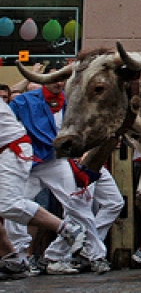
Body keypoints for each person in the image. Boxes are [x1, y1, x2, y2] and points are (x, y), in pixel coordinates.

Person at [5, 67, 110, 274]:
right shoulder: (25, 101)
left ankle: (96, 255)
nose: (58, 82)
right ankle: (20, 256)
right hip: (30, 162)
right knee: (11, 205)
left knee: (77, 203)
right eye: (54, 78)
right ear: (45, 80)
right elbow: (6, 113)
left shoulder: (71, 102)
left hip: (55, 161)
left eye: (62, 79)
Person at [0, 99, 85, 278]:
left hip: (11, 150)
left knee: (7, 203)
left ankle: (68, 229)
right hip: (8, 149)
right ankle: (12, 260)